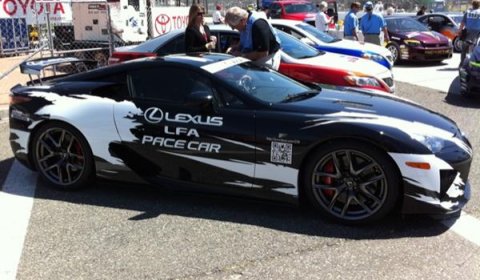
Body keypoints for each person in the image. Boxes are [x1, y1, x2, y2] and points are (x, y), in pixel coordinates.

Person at [458, 0, 480, 65]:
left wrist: (459, 31)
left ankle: (462, 63)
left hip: (468, 32)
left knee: (464, 49)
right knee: (475, 49)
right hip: (477, 33)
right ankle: (473, 63)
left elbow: (462, 23)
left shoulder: (468, 12)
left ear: (472, 5)